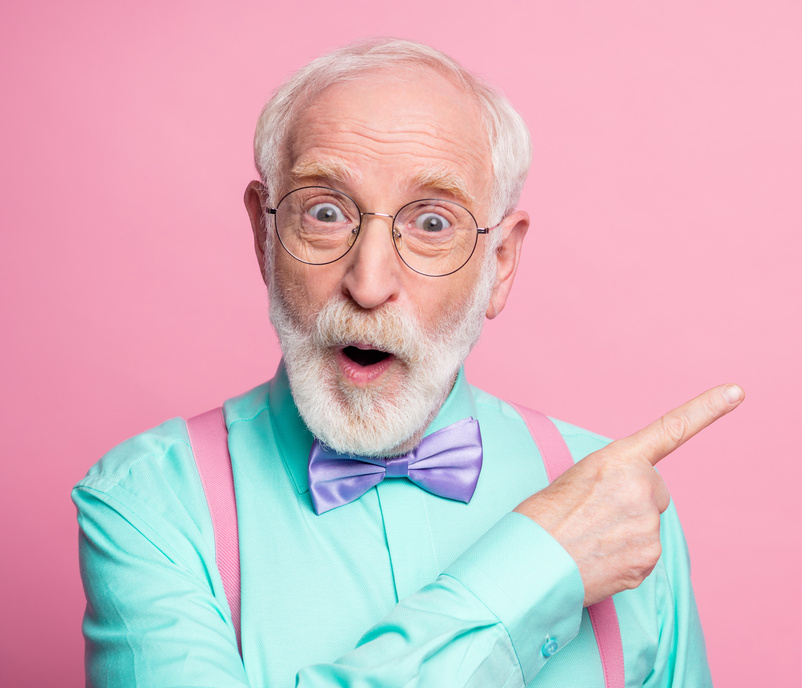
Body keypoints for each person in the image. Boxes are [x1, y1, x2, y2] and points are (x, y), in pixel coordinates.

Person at [73, 38, 743, 688]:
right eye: (326, 212)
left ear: (500, 265)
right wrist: (537, 565)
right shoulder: (150, 505)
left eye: (431, 223)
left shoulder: (622, 506)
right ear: (264, 235)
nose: (368, 284)